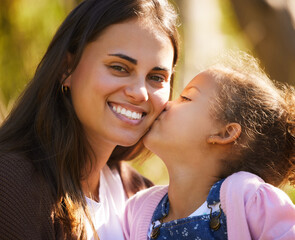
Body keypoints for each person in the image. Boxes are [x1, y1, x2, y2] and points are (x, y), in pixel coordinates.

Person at [0, 0, 180, 239]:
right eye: (119, 67)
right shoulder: (12, 185)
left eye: (156, 77)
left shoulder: (143, 196)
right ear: (67, 69)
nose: (140, 93)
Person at [123, 52, 295, 240]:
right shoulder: (138, 210)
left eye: (186, 98)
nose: (165, 104)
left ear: (224, 133)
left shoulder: (250, 199)